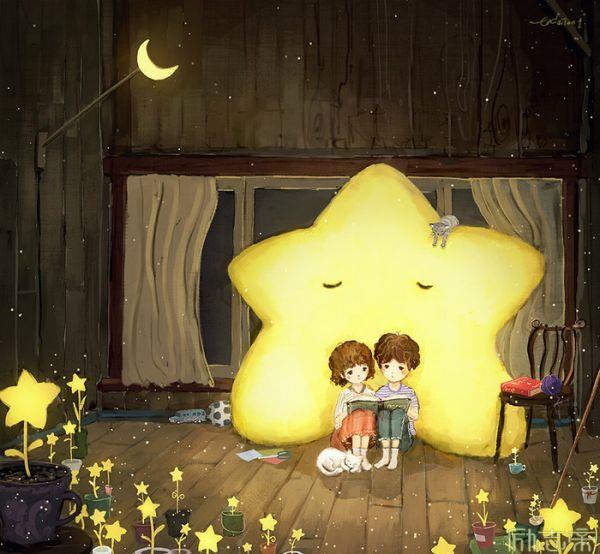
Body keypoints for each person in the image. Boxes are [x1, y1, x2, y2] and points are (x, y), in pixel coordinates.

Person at [373, 332, 420, 470]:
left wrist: (404, 406)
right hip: (383, 439)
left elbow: (415, 416)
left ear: (410, 367)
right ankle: (385, 456)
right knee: (383, 413)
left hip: (404, 439)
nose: (392, 372)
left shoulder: (409, 393)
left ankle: (393, 457)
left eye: (400, 367)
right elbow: (374, 417)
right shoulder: (380, 393)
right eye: (387, 366)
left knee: (398, 413)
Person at [329, 340, 378, 471]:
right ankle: (357, 459)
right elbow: (338, 417)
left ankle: (364, 457)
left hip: (367, 430)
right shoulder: (345, 394)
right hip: (349, 430)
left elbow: (376, 409)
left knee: (366, 420)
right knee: (357, 421)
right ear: (342, 374)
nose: (358, 375)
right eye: (351, 372)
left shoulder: (370, 393)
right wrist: (345, 413)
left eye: (363, 368)